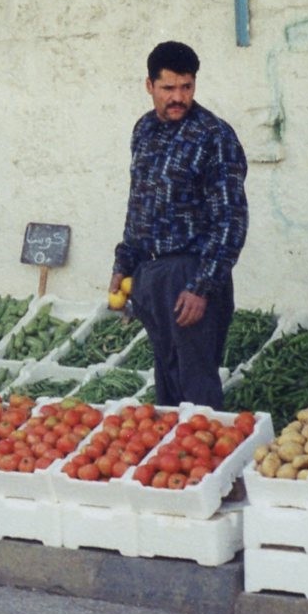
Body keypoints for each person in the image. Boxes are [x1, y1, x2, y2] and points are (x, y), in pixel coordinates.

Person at [110, 41, 249, 410]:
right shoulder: (144, 130)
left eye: (186, 87)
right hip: (149, 275)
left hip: (190, 274)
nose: (178, 98)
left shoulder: (214, 136)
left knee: (196, 383)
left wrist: (202, 286)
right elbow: (139, 204)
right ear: (149, 85)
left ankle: (207, 446)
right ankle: (172, 446)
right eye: (168, 88)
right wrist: (124, 263)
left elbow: (231, 219)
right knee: (167, 380)